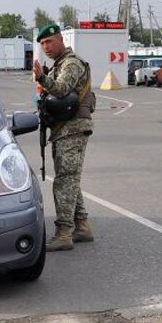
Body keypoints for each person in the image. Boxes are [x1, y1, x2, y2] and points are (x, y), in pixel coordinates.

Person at [32, 23, 95, 251]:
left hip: (73, 129)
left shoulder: (71, 63)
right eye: (42, 44)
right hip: (64, 130)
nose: (46, 47)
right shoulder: (59, 64)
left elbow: (60, 89)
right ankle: (82, 226)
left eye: (49, 42)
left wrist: (42, 79)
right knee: (69, 179)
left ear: (61, 40)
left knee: (64, 181)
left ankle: (64, 233)